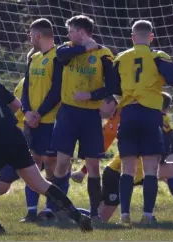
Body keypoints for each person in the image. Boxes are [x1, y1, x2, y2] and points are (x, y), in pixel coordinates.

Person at [0, 49, 92, 233]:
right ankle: (78, 217)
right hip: (15, 136)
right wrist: (0, 119)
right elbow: (17, 105)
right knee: (40, 184)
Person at [72, 93, 173, 223]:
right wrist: (84, 171)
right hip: (116, 173)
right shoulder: (121, 120)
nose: (98, 108)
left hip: (141, 170)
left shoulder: (152, 116)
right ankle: (68, 213)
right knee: (100, 219)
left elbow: (170, 135)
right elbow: (100, 148)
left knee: (172, 169)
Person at [111, 20, 173, 225]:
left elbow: (112, 85)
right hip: (150, 114)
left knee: (127, 168)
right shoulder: (158, 56)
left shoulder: (121, 58)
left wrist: (129, 91)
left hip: (128, 113)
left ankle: (125, 215)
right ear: (151, 37)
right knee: (150, 168)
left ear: (132, 38)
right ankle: (147, 215)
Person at [52, 15, 115, 222]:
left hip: (90, 116)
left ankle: (95, 213)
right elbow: (61, 56)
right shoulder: (67, 49)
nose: (68, 34)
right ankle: (58, 209)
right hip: (68, 113)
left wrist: (91, 96)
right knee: (61, 163)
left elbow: (115, 86)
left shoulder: (104, 54)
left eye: (70, 31)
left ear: (80, 31)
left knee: (93, 165)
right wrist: (84, 48)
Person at [21, 18, 64, 222]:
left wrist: (39, 113)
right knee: (32, 165)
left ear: (38, 35)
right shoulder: (33, 58)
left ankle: (51, 210)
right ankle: (31, 211)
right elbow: (26, 88)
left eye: (30, 34)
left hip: (50, 121)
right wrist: (27, 111)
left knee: (51, 165)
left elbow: (57, 91)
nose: (29, 38)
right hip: (32, 121)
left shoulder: (58, 56)